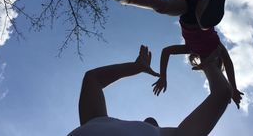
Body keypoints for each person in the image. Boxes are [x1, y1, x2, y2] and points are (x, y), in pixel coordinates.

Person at [107, 0, 243, 109]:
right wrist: (234, 88)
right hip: (201, 6)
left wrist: (163, 76)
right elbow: (229, 63)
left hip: (186, 11)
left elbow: (166, 52)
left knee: (163, 7)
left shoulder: (190, 48)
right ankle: (211, 13)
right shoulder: (217, 47)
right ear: (216, 60)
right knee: (204, 25)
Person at [68, 45, 233, 136]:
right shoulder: (98, 121)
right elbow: (92, 78)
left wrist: (209, 63)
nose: (152, 120)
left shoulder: (167, 135)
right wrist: (136, 67)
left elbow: (222, 94)